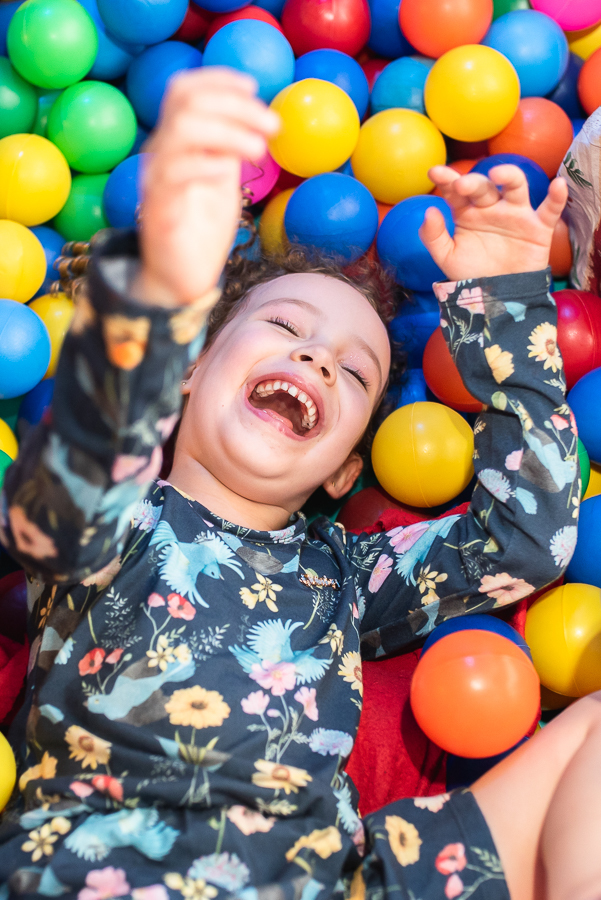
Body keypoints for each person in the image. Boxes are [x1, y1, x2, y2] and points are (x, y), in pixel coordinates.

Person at [0, 67, 592, 900]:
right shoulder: (122, 520)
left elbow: (527, 544)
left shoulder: (343, 577)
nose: (316, 356)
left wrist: (501, 305)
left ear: (347, 467)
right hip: (114, 863)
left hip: (329, 877)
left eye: (353, 373)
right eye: (283, 327)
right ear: (187, 371)